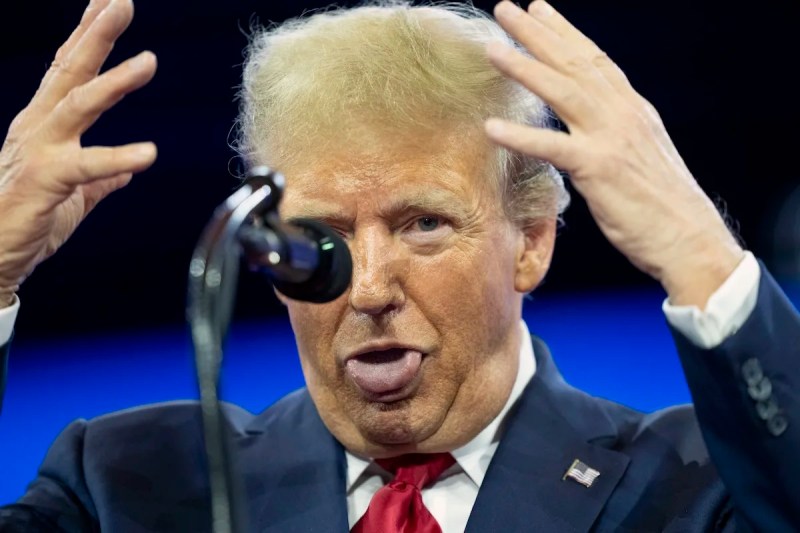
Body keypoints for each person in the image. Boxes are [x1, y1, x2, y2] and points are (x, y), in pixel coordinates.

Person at [0, 0, 798, 531]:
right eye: (322, 234)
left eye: (424, 224)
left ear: (531, 240)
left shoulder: (700, 485)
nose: (370, 287)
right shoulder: (126, 487)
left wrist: (700, 253)